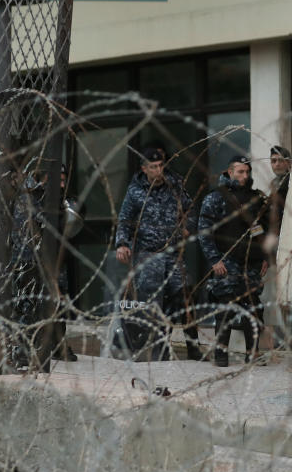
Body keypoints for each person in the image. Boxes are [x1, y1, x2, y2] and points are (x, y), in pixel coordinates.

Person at [114, 146, 201, 361]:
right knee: (154, 302)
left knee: (185, 296)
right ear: (144, 169)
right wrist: (122, 244)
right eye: (153, 167)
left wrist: (188, 224)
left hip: (173, 253)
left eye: (161, 166)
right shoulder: (135, 191)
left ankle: (193, 346)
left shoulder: (176, 184)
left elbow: (191, 209)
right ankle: (157, 348)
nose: (158, 170)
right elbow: (124, 220)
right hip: (147, 254)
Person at [198, 155, 269, 367]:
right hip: (226, 261)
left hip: (251, 262)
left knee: (253, 308)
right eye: (240, 172)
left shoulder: (255, 198)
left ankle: (252, 353)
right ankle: (221, 354)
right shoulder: (216, 197)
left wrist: (265, 257)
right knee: (225, 308)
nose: (244, 176)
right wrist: (214, 259)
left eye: (247, 172)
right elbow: (204, 232)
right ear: (230, 172)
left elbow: (259, 230)